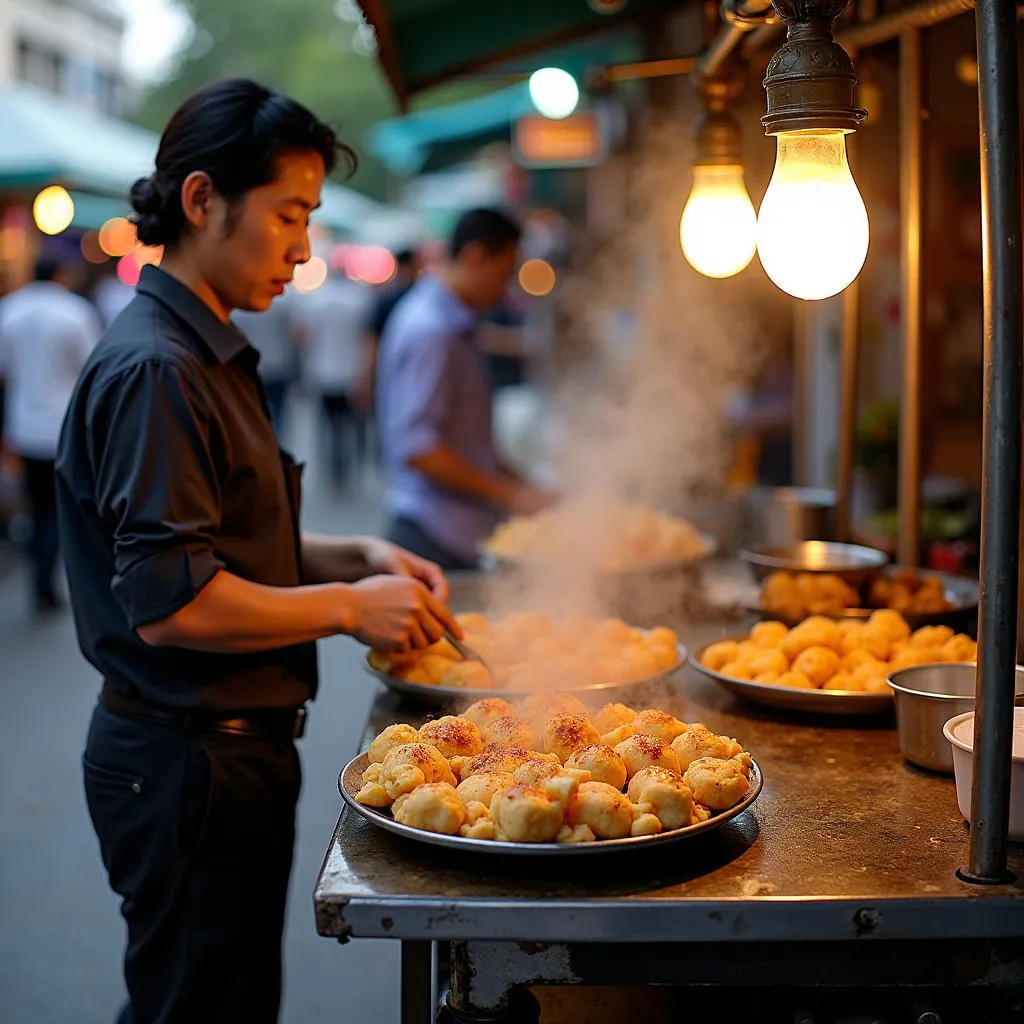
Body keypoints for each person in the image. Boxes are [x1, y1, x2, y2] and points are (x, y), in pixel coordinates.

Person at [54, 78, 460, 1024]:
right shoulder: (159, 367)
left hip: (223, 756)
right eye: (287, 213)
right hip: (186, 758)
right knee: (194, 1006)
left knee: (219, 998)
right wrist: (350, 608)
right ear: (202, 201)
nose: (302, 246)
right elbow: (172, 602)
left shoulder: (207, 350)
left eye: (310, 216)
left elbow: (223, 539)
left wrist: (351, 556)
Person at [376, 208, 554, 571]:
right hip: (432, 535)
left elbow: (467, 442)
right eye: (504, 274)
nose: (505, 290)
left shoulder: (453, 322)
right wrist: (509, 494)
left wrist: (521, 484)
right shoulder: (433, 329)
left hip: (450, 532)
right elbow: (417, 448)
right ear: (475, 257)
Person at [0, 255, 100, 611]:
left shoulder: (9, 309)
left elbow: (5, 369)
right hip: (62, 426)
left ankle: (37, 573)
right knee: (59, 507)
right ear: (60, 273)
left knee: (36, 500)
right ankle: (44, 577)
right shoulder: (75, 312)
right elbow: (92, 370)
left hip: (22, 424)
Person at [297, 265, 372, 489]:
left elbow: (304, 335)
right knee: (348, 426)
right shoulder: (358, 299)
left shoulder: (317, 300)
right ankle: (344, 470)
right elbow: (365, 340)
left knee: (326, 426)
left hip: (323, 373)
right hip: (350, 372)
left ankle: (330, 471)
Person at [232, 287, 301, 438]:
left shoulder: (241, 299)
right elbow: (296, 334)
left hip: (250, 368)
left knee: (253, 412)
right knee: (279, 412)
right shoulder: (285, 299)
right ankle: (277, 447)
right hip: (278, 365)